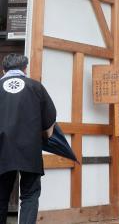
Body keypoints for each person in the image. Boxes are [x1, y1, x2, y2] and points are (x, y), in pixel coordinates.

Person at [0, 53, 56, 224]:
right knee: (30, 195)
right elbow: (49, 120)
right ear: (25, 69)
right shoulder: (36, 87)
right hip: (29, 150)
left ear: (3, 70)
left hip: (2, 150)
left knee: (0, 196)